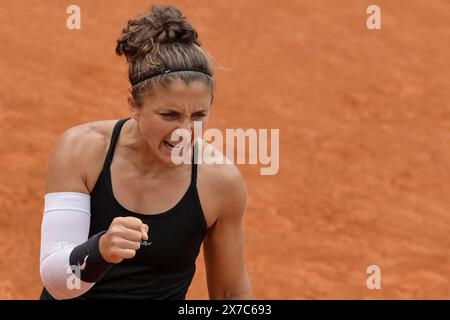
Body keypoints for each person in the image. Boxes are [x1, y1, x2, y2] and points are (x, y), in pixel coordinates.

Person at [39, 4, 252, 300]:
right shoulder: (81, 150)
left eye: (199, 115)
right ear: (133, 106)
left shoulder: (220, 183)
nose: (185, 131)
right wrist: (100, 251)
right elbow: (57, 282)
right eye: (169, 115)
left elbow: (230, 293)